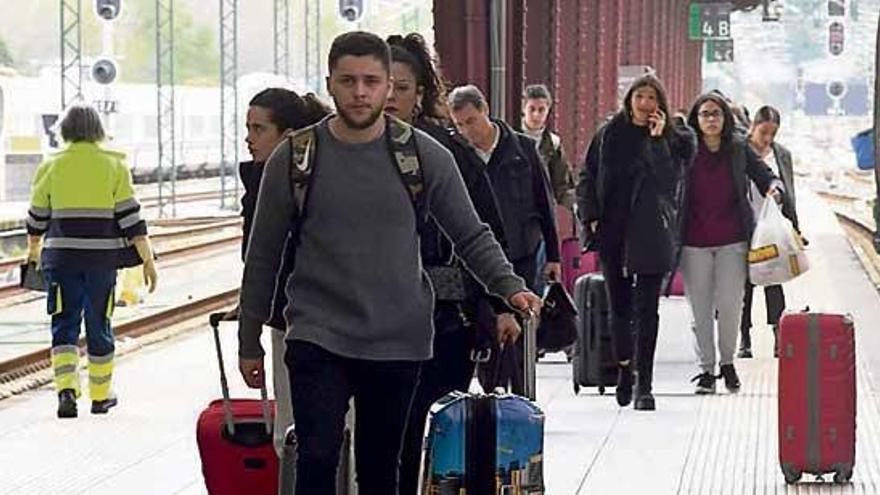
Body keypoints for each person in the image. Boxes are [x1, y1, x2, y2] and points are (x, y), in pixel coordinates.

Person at [237, 31, 540, 495]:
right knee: (316, 457)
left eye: (372, 81)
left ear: (389, 87)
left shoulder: (422, 155)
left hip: (396, 339)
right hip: (318, 333)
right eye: (348, 80)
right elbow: (263, 254)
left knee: (381, 470)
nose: (360, 92)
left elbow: (469, 231)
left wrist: (509, 286)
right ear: (330, 84)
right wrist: (249, 339)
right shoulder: (296, 157)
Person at [384, 33, 522, 495]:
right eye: (380, 84)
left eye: (400, 88)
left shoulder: (446, 151)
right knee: (386, 431)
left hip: (445, 317)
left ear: (419, 92)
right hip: (372, 316)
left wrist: (500, 302)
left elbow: (483, 227)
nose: (387, 97)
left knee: (429, 424)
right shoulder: (342, 149)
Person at [25, 104, 158, 418]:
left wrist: (33, 253)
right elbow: (132, 219)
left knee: (64, 324)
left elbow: (36, 218)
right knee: (99, 323)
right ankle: (100, 396)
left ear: (65, 130)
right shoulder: (114, 165)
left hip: (60, 261)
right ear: (98, 130)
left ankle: (66, 393)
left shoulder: (51, 165)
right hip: (101, 264)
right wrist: (148, 260)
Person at [576, 74, 695, 411]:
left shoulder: (676, 140)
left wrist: (658, 142)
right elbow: (587, 177)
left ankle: (645, 383)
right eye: (639, 97)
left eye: (652, 98)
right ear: (629, 101)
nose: (645, 104)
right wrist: (591, 216)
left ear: (661, 105)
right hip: (613, 230)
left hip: (652, 232)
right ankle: (625, 368)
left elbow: (670, 184)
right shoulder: (608, 135)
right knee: (619, 308)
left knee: (647, 311)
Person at [448, 84, 561, 395]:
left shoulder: (522, 149)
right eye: (458, 124)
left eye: (470, 121)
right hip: (479, 257)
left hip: (522, 252)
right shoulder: (456, 155)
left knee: (521, 330)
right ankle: (492, 395)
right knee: (488, 329)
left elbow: (544, 202)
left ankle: (524, 395)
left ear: (485, 111)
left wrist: (554, 255)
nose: (465, 130)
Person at [238, 88, 330, 457]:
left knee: (302, 434)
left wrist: (250, 334)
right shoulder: (258, 181)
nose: (248, 138)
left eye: (259, 129)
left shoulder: (308, 184)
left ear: (289, 136)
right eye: (248, 127)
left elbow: (266, 261)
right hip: (284, 320)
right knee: (291, 433)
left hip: (309, 322)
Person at [679, 93, 783, 395]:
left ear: (725, 118)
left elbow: (766, 176)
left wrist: (774, 189)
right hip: (693, 242)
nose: (711, 119)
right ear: (696, 120)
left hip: (733, 241)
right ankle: (707, 370)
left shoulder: (738, 149)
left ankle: (727, 363)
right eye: (705, 114)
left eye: (716, 114)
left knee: (730, 306)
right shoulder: (686, 149)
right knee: (700, 311)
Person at [738, 105, 800, 358]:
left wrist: (795, 227)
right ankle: (745, 339)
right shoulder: (739, 151)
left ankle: (778, 335)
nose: (767, 139)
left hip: (771, 228)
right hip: (743, 226)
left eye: (773, 133)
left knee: (774, 280)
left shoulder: (781, 154)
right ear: (753, 126)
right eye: (764, 132)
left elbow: (790, 190)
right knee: (745, 284)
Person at [520, 83, 575, 293]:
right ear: (523, 109)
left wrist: (578, 208)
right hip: (513, 218)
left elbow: (562, 186)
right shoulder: (510, 139)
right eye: (532, 109)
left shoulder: (552, 144)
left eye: (541, 110)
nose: (536, 115)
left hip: (540, 220)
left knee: (538, 279)